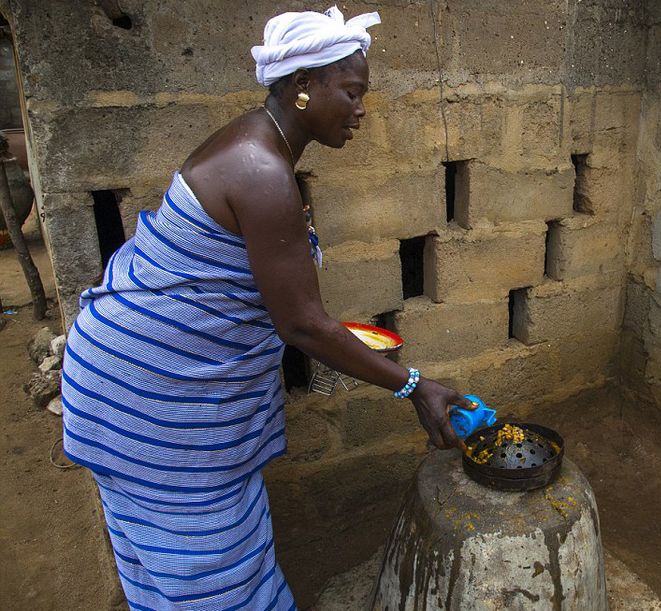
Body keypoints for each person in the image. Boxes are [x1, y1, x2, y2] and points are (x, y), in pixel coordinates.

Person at [60, 7, 471, 610]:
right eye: (352, 93)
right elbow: (303, 324)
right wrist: (414, 386)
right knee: (209, 576)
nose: (361, 110)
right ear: (303, 86)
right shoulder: (261, 172)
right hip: (155, 401)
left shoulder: (253, 145)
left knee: (170, 565)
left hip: (126, 379)